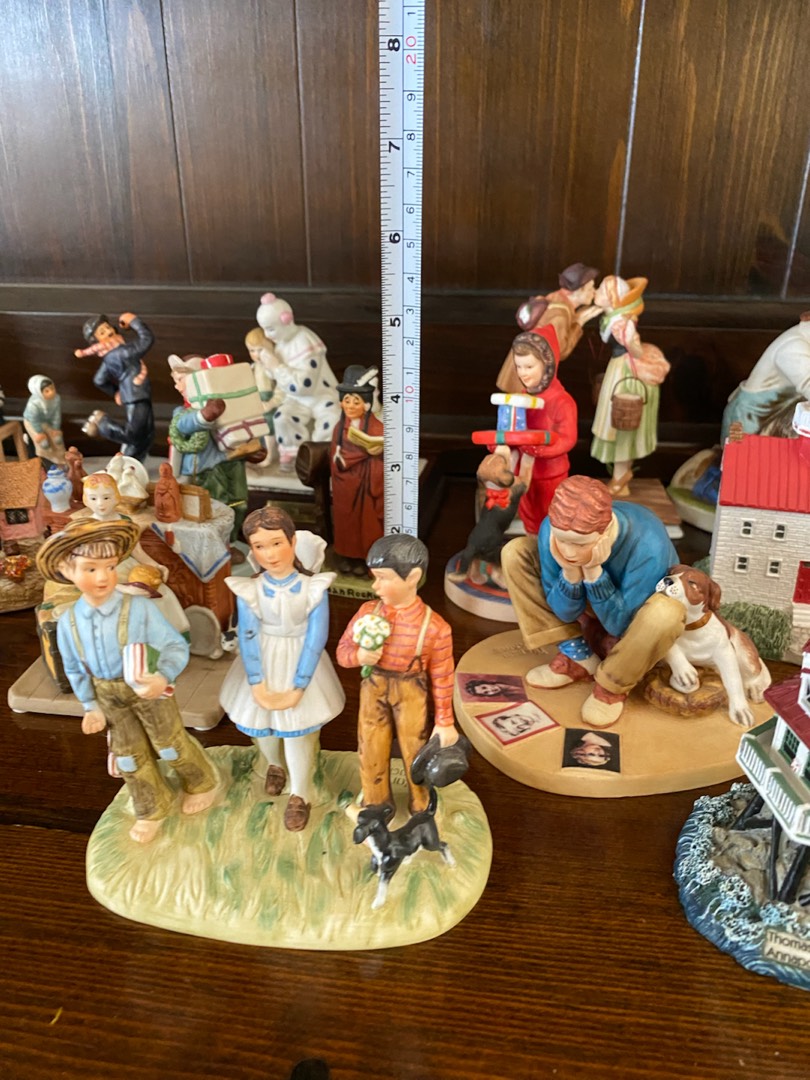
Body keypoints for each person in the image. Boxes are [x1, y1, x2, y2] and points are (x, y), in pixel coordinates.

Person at [36, 518, 220, 843]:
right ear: (66, 569)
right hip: (107, 694)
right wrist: (90, 706)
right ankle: (152, 807)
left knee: (169, 744)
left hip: (147, 687)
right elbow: (75, 669)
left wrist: (162, 676)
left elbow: (175, 646)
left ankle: (201, 782)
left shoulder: (138, 609)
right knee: (128, 756)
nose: (103, 577)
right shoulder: (69, 623)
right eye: (91, 569)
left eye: (109, 567)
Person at [502, 475, 685, 727]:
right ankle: (577, 655)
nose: (568, 552)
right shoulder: (550, 531)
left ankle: (612, 685)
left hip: (636, 615)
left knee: (666, 612)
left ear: (605, 532)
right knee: (515, 552)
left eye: (579, 544)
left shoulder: (648, 543)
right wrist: (570, 574)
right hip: (590, 605)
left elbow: (620, 626)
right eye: (562, 540)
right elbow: (564, 612)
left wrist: (594, 573)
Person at [219, 507, 345, 831]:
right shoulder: (251, 589)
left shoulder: (312, 588)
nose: (270, 554)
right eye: (260, 546)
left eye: (276, 543)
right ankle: (274, 764)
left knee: (296, 730)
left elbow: (316, 638)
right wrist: (257, 683)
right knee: (260, 723)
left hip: (299, 659)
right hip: (262, 660)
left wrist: (299, 685)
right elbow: (248, 635)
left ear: (292, 541)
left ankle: (300, 793)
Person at [337, 534, 459, 814]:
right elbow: (342, 652)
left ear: (413, 577)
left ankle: (421, 804)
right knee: (370, 745)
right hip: (374, 686)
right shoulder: (368, 612)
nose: (374, 586)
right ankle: (376, 803)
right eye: (374, 577)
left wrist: (444, 721)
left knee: (415, 749)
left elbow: (443, 677)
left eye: (383, 578)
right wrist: (358, 656)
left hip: (410, 690)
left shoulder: (435, 627)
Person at [589, 276, 670, 495]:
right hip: (617, 366)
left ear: (612, 298)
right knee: (617, 422)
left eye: (601, 290)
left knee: (621, 423)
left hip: (625, 371)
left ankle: (621, 476)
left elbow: (636, 351)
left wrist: (631, 341)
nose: (596, 292)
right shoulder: (611, 317)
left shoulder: (621, 323)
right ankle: (621, 475)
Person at [497, 327, 578, 534]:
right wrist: (501, 442)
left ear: (548, 365)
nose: (523, 373)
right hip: (523, 472)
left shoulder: (562, 401)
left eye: (529, 366)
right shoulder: (519, 399)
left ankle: (550, 547)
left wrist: (541, 450)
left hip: (550, 473)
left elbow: (567, 438)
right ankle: (532, 543)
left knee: (552, 515)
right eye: (518, 366)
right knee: (528, 515)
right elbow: (511, 430)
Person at [167, 354, 249, 543]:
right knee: (212, 509)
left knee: (239, 503)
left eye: (181, 380)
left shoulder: (229, 405)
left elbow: (239, 429)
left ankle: (231, 542)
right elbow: (183, 425)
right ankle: (213, 544)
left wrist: (251, 450)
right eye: (176, 381)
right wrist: (204, 416)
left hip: (231, 463)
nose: (178, 387)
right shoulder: (183, 412)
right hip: (205, 472)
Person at [496, 262, 602, 393]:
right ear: (576, 291)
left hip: (523, 370)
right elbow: (561, 351)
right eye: (590, 288)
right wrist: (579, 323)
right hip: (525, 380)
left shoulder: (556, 299)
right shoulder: (560, 315)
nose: (594, 292)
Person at [76, 312, 155, 462]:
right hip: (136, 396)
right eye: (102, 332)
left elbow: (99, 380)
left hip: (136, 394)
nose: (109, 331)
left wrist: (116, 392)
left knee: (146, 435)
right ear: (97, 341)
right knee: (134, 434)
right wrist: (134, 321)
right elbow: (147, 340)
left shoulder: (109, 356)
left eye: (107, 327)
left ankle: (132, 464)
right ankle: (102, 423)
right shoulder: (122, 352)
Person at [330, 365, 384, 573]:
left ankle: (365, 558)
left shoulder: (376, 427)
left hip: (367, 484)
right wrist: (354, 457)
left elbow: (383, 449)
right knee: (346, 522)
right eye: (347, 400)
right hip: (345, 484)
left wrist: (376, 452)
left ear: (367, 404)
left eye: (356, 401)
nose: (351, 406)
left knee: (367, 522)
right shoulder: (339, 428)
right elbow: (335, 456)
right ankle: (347, 556)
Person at [23, 375, 65, 465]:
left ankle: (61, 461)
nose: (51, 392)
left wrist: (55, 428)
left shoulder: (56, 398)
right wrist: (40, 432)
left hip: (48, 421)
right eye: (47, 391)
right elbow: (34, 419)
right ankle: (46, 462)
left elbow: (56, 415)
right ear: (39, 392)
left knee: (57, 440)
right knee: (43, 444)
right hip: (33, 423)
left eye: (52, 388)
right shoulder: (33, 404)